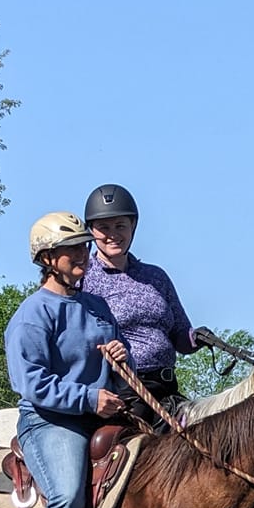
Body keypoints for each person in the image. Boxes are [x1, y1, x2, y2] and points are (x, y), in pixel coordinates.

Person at [4, 211, 133, 508]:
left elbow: (110, 370)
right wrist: (89, 397)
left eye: (82, 246)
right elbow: (32, 382)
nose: (83, 254)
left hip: (102, 417)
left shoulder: (97, 306)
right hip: (51, 422)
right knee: (66, 495)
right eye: (71, 249)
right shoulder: (32, 315)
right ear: (46, 259)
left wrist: (121, 359)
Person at [77, 182, 224, 432]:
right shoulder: (85, 279)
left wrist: (198, 337)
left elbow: (181, 337)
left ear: (133, 226)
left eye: (120, 225)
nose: (113, 234)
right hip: (123, 392)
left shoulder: (156, 276)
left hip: (168, 391)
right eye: (104, 227)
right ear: (92, 231)